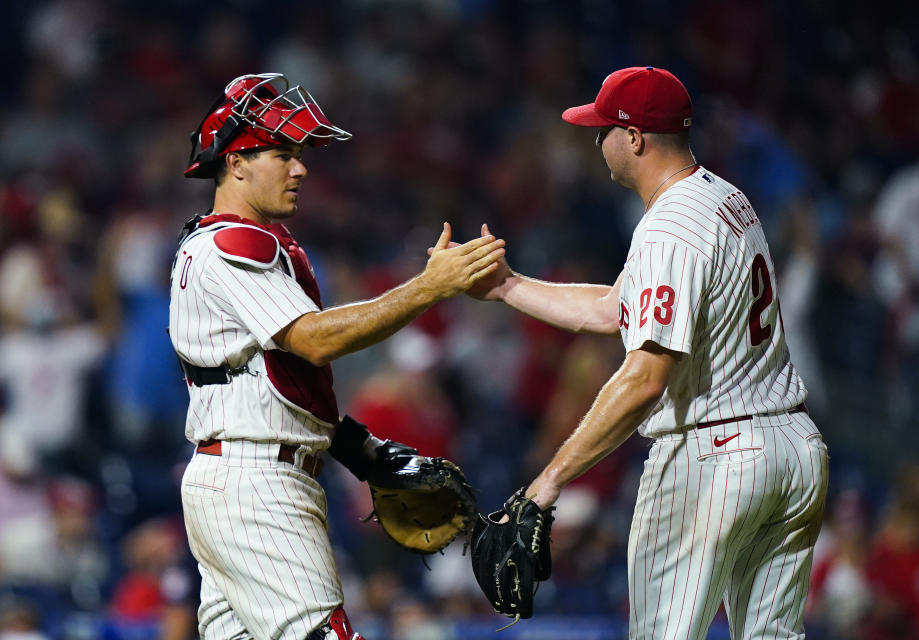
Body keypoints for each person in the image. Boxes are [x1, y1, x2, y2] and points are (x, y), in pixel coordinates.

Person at [468, 67, 829, 639]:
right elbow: (616, 308)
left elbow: (644, 379)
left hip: (715, 455)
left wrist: (549, 480)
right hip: (792, 449)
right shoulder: (723, 197)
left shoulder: (668, 229)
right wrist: (508, 286)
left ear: (634, 138)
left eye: (604, 128)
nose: (596, 140)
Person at [168, 73, 504, 640]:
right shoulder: (233, 243)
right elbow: (315, 341)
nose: (300, 169)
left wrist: (364, 453)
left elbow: (281, 381)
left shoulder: (228, 242)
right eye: (281, 153)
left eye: (300, 156)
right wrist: (428, 286)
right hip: (257, 485)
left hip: (244, 474)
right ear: (235, 163)